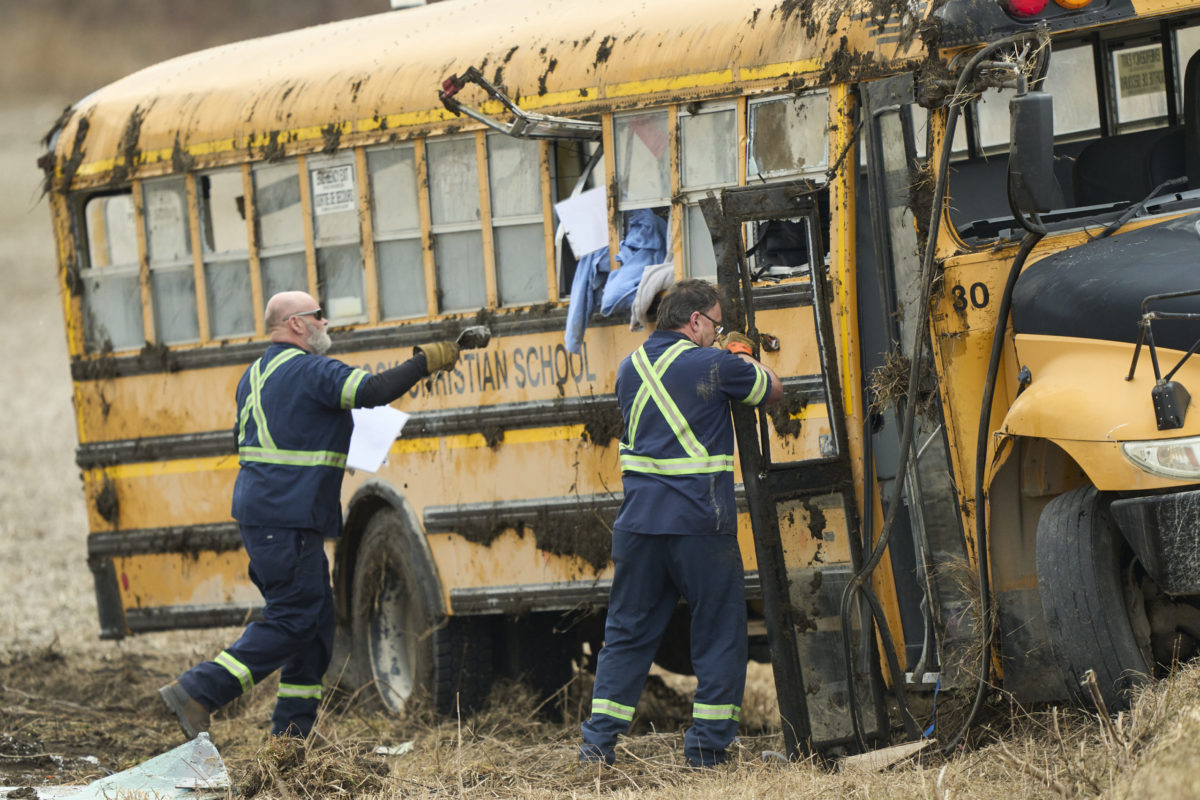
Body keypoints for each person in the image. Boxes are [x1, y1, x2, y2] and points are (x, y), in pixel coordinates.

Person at [159, 290, 460, 740]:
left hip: (274, 519)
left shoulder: (255, 375)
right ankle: (199, 690)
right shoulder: (309, 369)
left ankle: (292, 738)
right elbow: (372, 391)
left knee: (316, 624)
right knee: (293, 619)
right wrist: (426, 360)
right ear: (296, 324)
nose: (326, 324)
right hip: (287, 521)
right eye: (319, 316)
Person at [579, 279, 783, 768]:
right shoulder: (713, 363)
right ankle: (707, 752)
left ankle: (596, 748)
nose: (716, 333)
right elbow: (774, 391)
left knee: (626, 637)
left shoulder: (629, 368)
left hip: (638, 529)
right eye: (715, 325)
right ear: (694, 322)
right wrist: (741, 353)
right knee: (718, 634)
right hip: (698, 525)